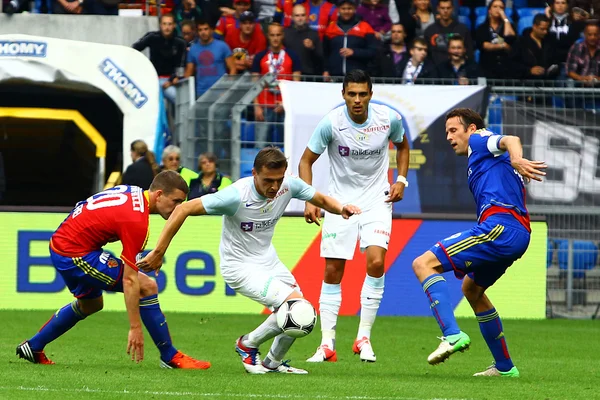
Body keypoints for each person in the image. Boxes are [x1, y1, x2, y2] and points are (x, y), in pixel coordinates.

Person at [137, 147, 361, 374]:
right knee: (294, 308)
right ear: (254, 173)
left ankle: (273, 362)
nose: (274, 187)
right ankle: (248, 345)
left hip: (268, 260)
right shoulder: (235, 195)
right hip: (239, 267)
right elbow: (183, 208)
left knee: (302, 314)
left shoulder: (288, 185)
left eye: (278, 180)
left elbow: (319, 198)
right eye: (268, 181)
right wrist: (158, 251)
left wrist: (341, 208)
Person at [16, 171, 211, 369]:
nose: (178, 208)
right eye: (175, 201)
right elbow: (129, 281)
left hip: (65, 243)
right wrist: (135, 327)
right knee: (147, 286)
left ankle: (34, 346)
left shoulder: (133, 192)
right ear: (159, 195)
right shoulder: (137, 220)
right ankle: (170, 356)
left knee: (91, 304)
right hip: (73, 252)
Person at [412, 108, 546, 377]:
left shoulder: (478, 140)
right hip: (517, 232)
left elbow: (510, 140)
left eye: (454, 130)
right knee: (472, 289)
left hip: (500, 227)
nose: (449, 137)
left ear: (471, 129)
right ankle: (505, 368)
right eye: (446, 132)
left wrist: (517, 158)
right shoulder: (483, 159)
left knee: (423, 263)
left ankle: (451, 335)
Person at [299, 69, 410, 363]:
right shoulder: (331, 123)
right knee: (333, 271)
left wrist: (401, 179)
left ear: (371, 95)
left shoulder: (388, 119)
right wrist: (310, 198)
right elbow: (305, 161)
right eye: (352, 94)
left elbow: (403, 146)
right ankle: (327, 345)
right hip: (340, 204)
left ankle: (363, 338)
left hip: (378, 200)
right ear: (344, 95)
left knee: (375, 261)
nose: (357, 100)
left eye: (363, 94)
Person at [133, 14, 187, 104]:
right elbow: (134, 48)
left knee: (179, 101)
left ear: (174, 25)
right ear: (160, 25)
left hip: (170, 81)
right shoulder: (152, 37)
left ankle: (177, 118)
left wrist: (171, 80)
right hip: (152, 79)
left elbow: (181, 64)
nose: (167, 27)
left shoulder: (180, 42)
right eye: (164, 24)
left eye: (170, 24)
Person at [185, 19, 237, 99]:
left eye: (206, 29)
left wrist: (227, 89)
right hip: (201, 92)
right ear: (197, 32)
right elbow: (189, 73)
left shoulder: (222, 46)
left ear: (212, 30)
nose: (203, 32)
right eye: (200, 30)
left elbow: (233, 69)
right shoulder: (193, 49)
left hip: (221, 92)